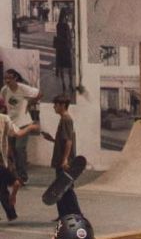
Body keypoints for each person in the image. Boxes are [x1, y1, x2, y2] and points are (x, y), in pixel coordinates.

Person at [1, 65, 40, 214]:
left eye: (9, 78)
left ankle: (24, 177)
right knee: (10, 152)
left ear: (15, 78)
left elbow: (38, 94)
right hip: (11, 124)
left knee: (19, 149)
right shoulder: (5, 90)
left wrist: (29, 104)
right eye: (5, 78)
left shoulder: (23, 89)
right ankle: (15, 176)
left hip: (24, 123)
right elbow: (5, 104)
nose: (6, 81)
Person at [44, 95, 81, 218]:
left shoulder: (66, 119)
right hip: (61, 158)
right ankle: (63, 214)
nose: (54, 107)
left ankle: (76, 213)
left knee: (66, 188)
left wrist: (65, 159)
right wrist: (52, 140)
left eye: (56, 105)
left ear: (63, 106)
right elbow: (63, 140)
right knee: (60, 187)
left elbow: (69, 141)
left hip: (64, 160)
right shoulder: (63, 119)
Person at [0, 96, 18, 220]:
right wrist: (31, 127)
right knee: (2, 189)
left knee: (2, 189)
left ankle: (11, 213)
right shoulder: (4, 119)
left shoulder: (3, 119)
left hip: (2, 161)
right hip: (2, 161)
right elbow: (16, 133)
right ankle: (11, 213)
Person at [53, 7, 74, 96]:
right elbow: (69, 37)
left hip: (60, 48)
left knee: (61, 66)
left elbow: (58, 35)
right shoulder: (66, 26)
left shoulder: (58, 25)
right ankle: (71, 84)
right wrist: (71, 47)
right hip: (66, 48)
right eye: (67, 15)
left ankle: (63, 85)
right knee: (69, 67)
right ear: (65, 15)